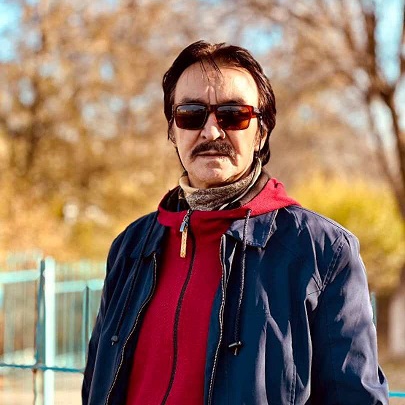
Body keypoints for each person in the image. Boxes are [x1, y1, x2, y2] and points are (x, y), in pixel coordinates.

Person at [82, 40, 389, 405]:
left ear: (261, 132)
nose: (211, 132)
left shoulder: (322, 251)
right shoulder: (130, 247)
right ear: (172, 130)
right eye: (191, 114)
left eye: (233, 115)